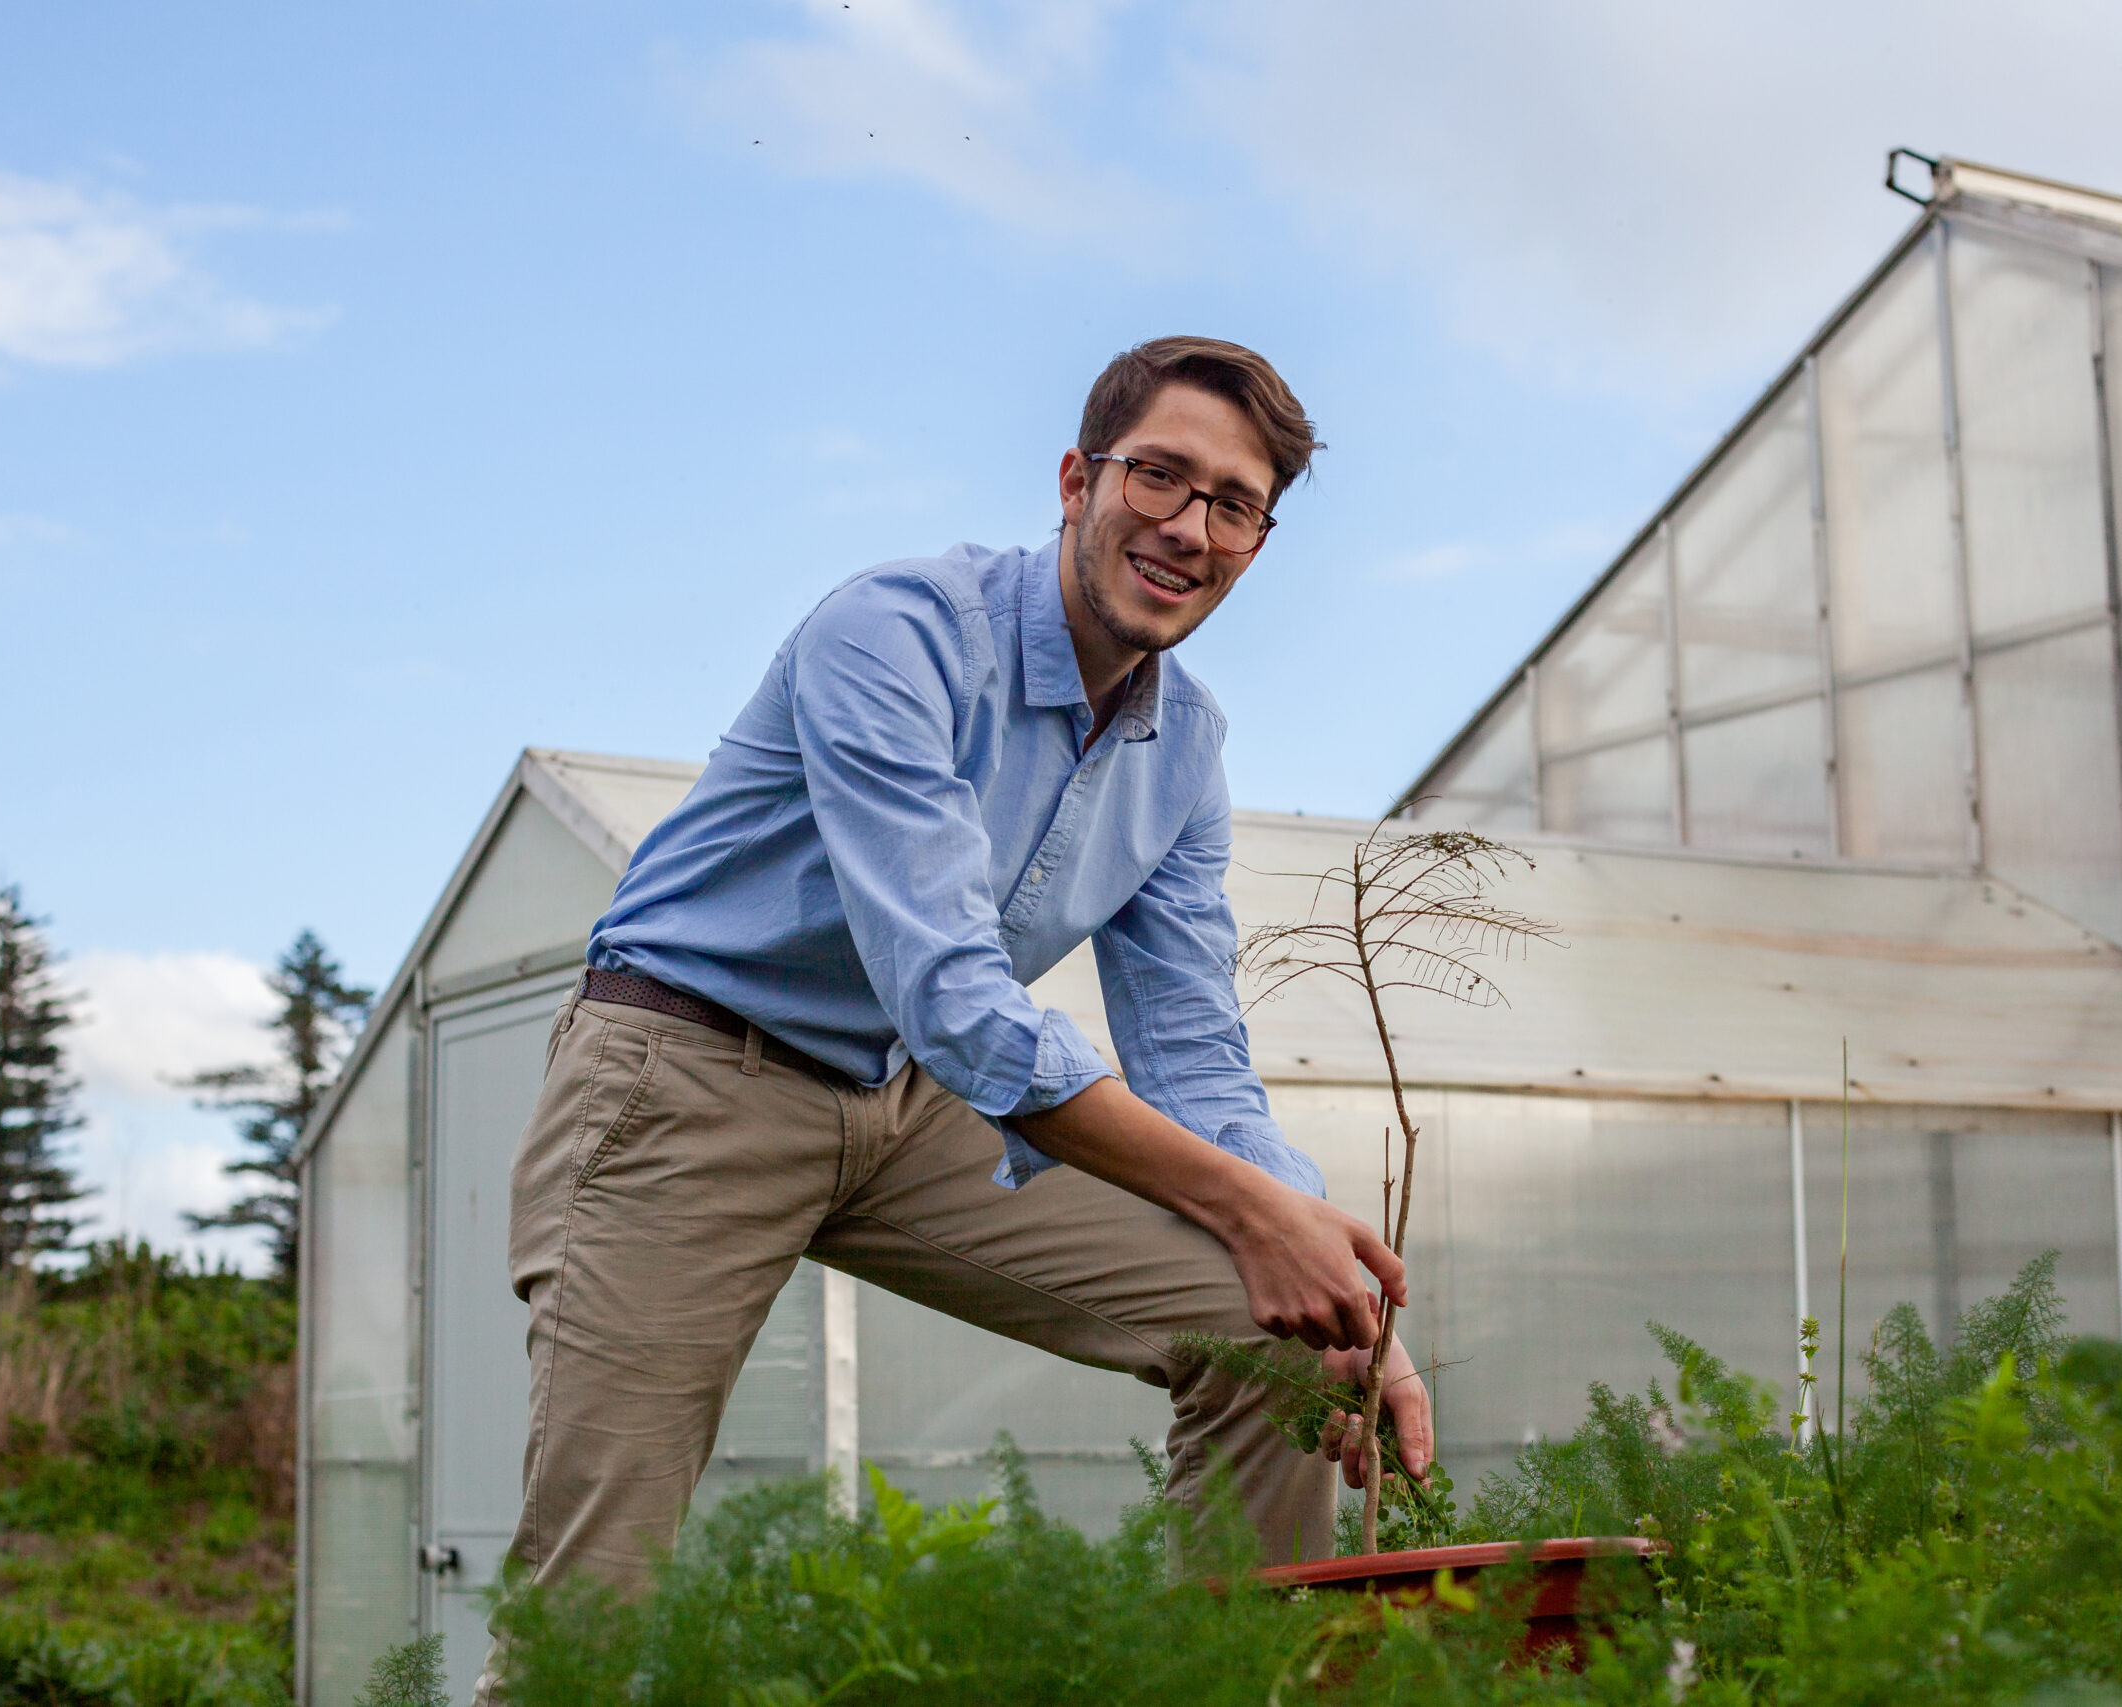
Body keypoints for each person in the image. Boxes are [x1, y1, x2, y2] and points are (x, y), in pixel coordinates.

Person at [475, 336, 1430, 1701]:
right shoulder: (898, 635)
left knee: (1272, 1340)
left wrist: (1336, 1288)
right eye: (1157, 474)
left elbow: (1198, 1061)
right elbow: (959, 996)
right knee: (595, 1598)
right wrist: (1252, 1208)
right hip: (685, 1079)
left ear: (1257, 545)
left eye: (1232, 503)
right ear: (1075, 479)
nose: (1186, 525)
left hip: (908, 1097)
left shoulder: (1186, 747)